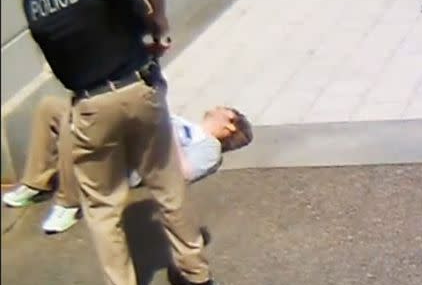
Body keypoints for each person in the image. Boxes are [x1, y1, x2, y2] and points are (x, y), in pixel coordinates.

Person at [20, 0, 214, 285]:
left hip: (89, 104)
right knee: (165, 181)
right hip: (136, 88)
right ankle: (196, 271)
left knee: (103, 208)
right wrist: (159, 19)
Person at [2, 97, 253, 235]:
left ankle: (68, 203)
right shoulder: (188, 125)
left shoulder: (209, 147)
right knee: (51, 106)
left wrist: (164, 128)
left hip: (128, 158)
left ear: (230, 125)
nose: (216, 106)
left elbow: (184, 172)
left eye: (224, 109)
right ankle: (34, 183)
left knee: (77, 127)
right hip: (124, 130)